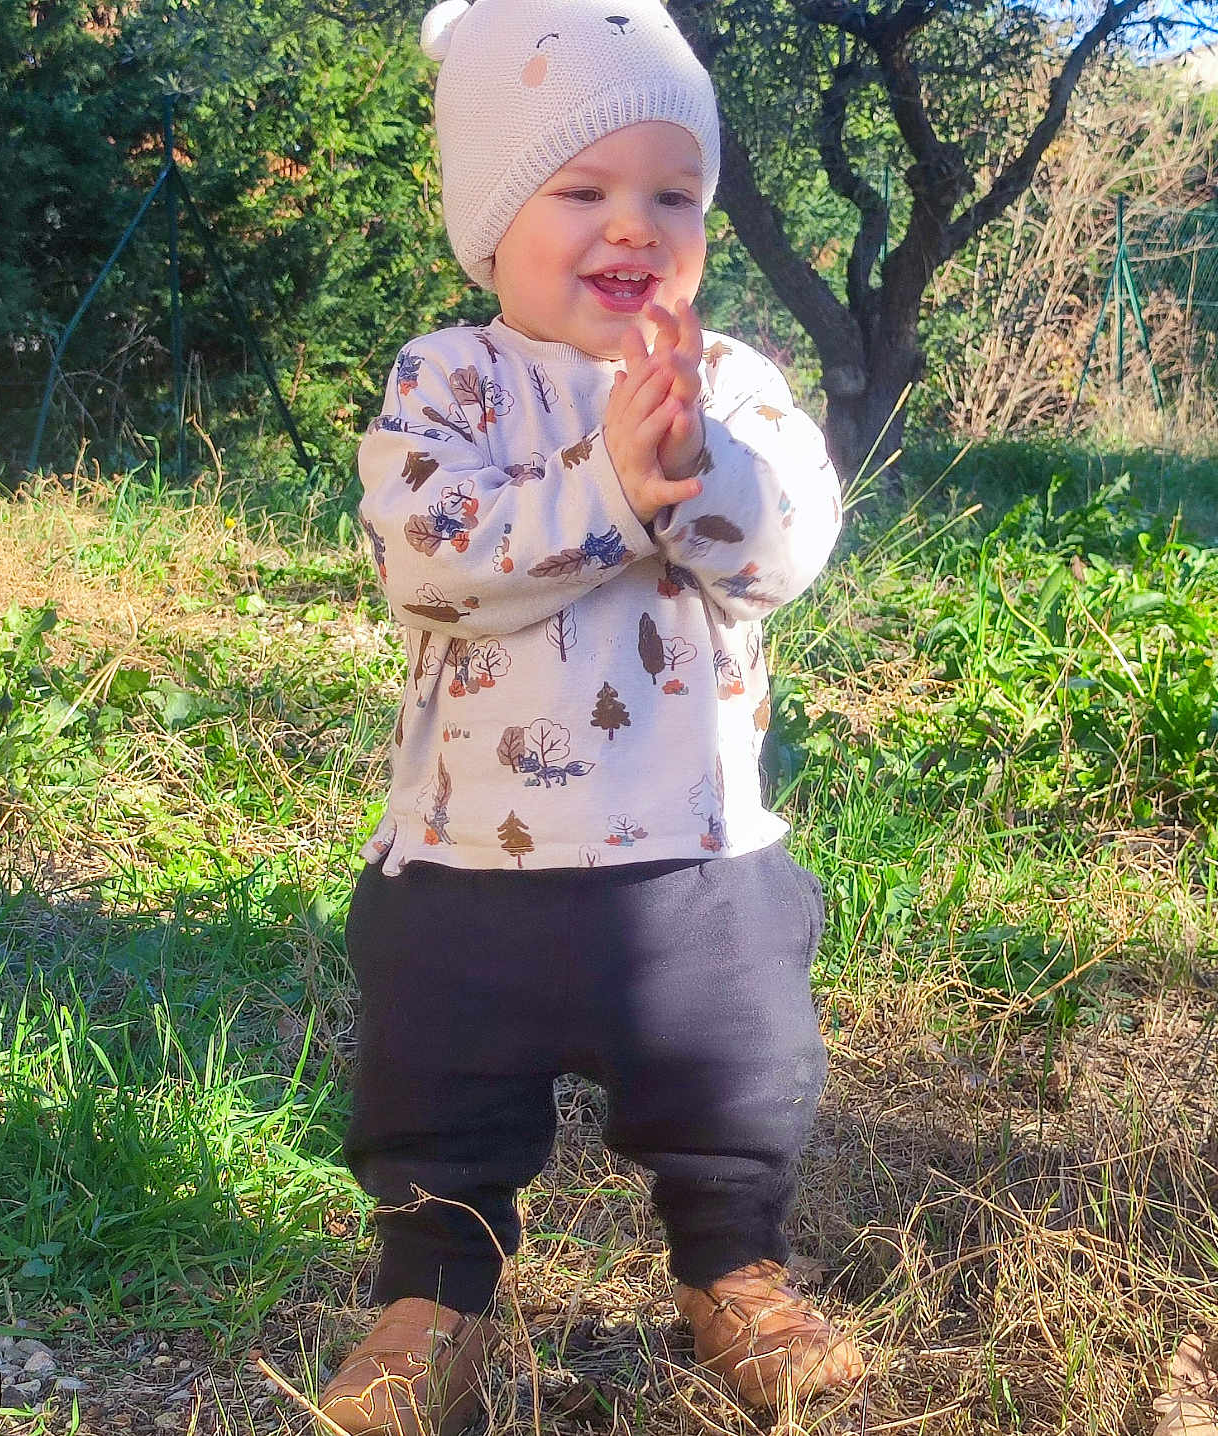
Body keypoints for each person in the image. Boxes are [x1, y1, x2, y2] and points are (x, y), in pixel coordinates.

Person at [321, 0, 862, 1429]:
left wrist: (702, 469)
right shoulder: (451, 380)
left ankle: (734, 1272)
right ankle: (432, 1298)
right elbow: (429, 564)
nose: (634, 226)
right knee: (434, 1088)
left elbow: (792, 551)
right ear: (491, 218)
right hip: (464, 858)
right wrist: (609, 496)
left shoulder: (731, 382)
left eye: (673, 195)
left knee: (737, 1071)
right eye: (581, 190)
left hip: (695, 850)